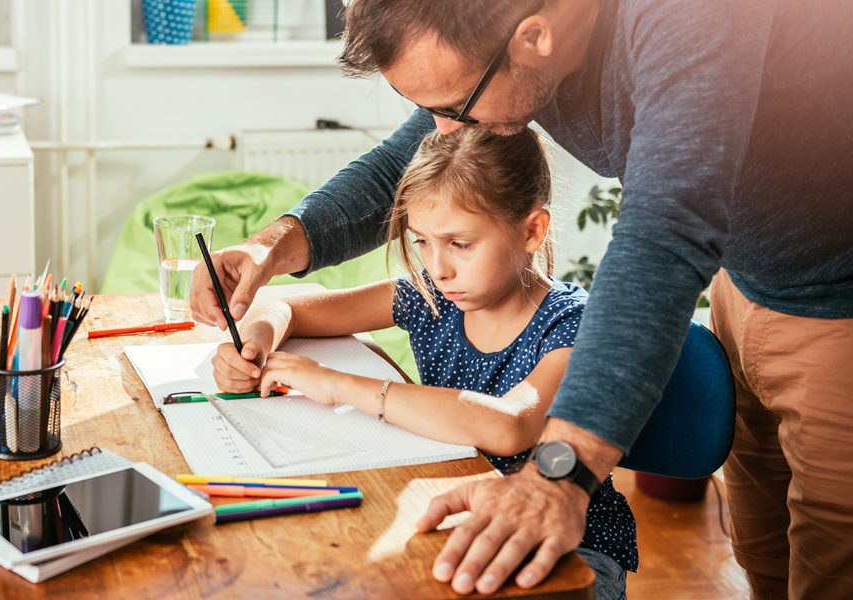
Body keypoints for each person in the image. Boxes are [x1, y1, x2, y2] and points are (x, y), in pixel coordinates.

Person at [190, 0, 853, 597]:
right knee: (765, 553)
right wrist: (276, 244)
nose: (445, 133)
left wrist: (559, 476)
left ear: (535, 37)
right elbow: (408, 158)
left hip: (838, 301)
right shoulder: (506, 46)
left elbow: (666, 229)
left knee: (833, 564)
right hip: (748, 276)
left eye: (454, 108)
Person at [213, 126, 637, 599]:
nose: (438, 267)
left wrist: (336, 384)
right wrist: (256, 340)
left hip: (573, 548)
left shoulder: (571, 322)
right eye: (422, 243)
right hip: (456, 511)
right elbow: (291, 304)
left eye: (460, 244)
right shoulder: (433, 298)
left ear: (532, 230)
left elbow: (510, 427)